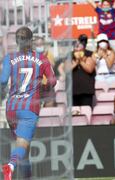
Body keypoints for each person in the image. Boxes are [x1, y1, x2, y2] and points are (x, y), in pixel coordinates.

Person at [0, 26, 57, 180]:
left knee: (24, 150)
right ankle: (10, 166)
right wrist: (43, 87)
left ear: (17, 41)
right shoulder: (42, 58)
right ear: (31, 40)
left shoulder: (9, 57)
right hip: (29, 108)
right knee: (22, 146)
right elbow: (53, 80)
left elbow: (3, 81)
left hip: (11, 108)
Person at [72, 40, 96, 108]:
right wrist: (76, 63)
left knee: (86, 111)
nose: (78, 48)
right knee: (74, 113)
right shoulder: (70, 56)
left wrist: (81, 61)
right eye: (76, 47)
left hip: (86, 91)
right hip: (73, 91)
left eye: (79, 46)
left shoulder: (89, 55)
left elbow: (90, 69)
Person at [33, 36, 56, 107]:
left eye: (41, 44)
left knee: (49, 107)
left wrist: (44, 57)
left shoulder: (49, 54)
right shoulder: (32, 56)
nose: (39, 46)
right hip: (36, 86)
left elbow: (52, 66)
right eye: (37, 45)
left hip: (48, 85)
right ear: (34, 46)